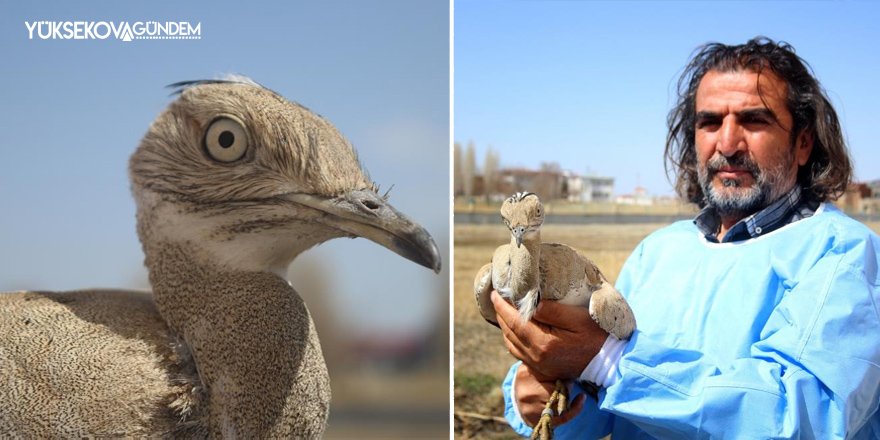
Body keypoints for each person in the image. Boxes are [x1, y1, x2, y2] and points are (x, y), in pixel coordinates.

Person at [494, 36, 880, 439]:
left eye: (755, 120)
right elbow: (608, 413)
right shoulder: (659, 253)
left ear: (803, 143)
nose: (727, 144)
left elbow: (803, 420)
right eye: (710, 122)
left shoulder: (843, 254)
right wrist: (556, 395)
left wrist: (607, 362)